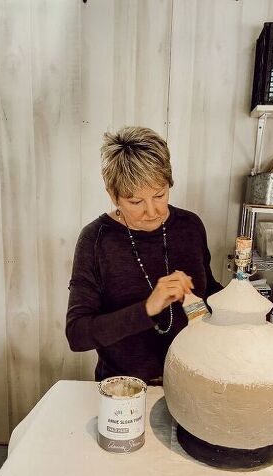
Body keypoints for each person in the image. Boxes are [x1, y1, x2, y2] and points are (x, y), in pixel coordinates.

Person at [66, 126, 222, 385]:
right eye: (135, 202)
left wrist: (241, 305)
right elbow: (77, 334)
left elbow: (210, 290)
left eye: (159, 195)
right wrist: (149, 308)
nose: (152, 211)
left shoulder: (190, 226)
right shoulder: (95, 240)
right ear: (113, 196)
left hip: (193, 379)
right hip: (124, 388)